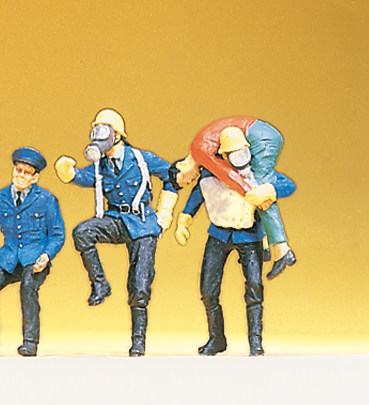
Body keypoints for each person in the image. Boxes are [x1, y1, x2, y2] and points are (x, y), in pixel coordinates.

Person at [54, 108, 178, 357]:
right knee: (82, 232)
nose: (98, 137)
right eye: (95, 131)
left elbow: (173, 176)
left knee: (140, 283)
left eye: (104, 132)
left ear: (118, 135)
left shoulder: (141, 159)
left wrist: (165, 211)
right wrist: (68, 173)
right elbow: (84, 177)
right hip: (115, 220)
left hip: (143, 223)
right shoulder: (100, 165)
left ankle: (138, 341)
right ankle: (100, 284)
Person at [175, 166, 297, 356]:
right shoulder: (210, 172)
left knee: (254, 288)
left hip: (249, 236)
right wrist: (184, 219)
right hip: (218, 234)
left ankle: (255, 341)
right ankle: (216, 338)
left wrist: (268, 191)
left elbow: (288, 185)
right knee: (208, 290)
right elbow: (197, 195)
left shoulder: (256, 171)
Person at [171, 116, 296, 280]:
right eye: (189, 182)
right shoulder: (205, 154)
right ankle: (265, 245)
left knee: (260, 188)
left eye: (186, 178)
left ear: (181, 165)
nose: (191, 179)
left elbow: (227, 175)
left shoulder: (200, 150)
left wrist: (250, 193)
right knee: (258, 187)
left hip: (260, 136)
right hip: (259, 133)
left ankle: (282, 250)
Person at [0, 147, 65, 357]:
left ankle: (30, 342)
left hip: (34, 257)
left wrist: (46, 255)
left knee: (28, 287)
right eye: (18, 170)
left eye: (27, 172)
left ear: (35, 177)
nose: (21, 175)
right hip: (9, 257)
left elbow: (57, 234)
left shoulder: (46, 199)